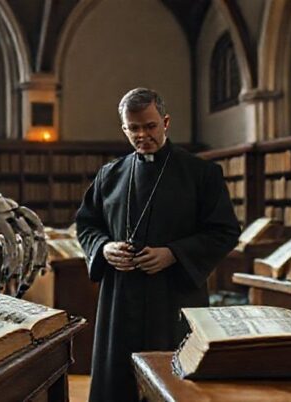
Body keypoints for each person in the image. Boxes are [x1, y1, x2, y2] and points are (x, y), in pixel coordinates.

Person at [76, 88, 240, 401]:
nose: (142, 135)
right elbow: (87, 224)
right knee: (118, 385)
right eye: (133, 128)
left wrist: (174, 254)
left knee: (173, 384)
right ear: (124, 128)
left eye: (150, 126)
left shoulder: (201, 173)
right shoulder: (109, 175)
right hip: (120, 299)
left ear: (165, 122)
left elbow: (224, 230)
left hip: (174, 296)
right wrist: (104, 248)